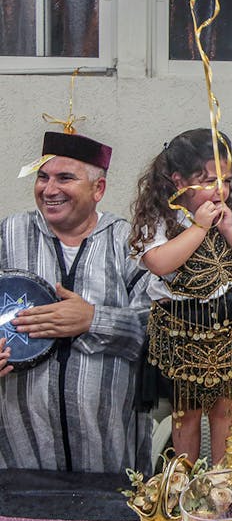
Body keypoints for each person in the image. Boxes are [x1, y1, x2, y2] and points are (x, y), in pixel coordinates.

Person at [0, 131, 153, 473]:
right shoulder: (7, 235)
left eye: (65, 178)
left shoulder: (132, 242)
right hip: (18, 460)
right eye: (43, 177)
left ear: (98, 189)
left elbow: (160, 328)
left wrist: (93, 320)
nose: (49, 189)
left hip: (111, 458)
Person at [130, 128, 232, 464]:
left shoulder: (231, 217)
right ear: (178, 180)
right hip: (182, 334)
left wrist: (230, 229)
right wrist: (199, 228)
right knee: (185, 414)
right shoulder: (162, 219)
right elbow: (159, 262)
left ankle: (222, 484)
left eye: (226, 180)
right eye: (207, 180)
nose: (220, 190)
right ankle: (185, 487)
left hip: (227, 334)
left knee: (225, 412)